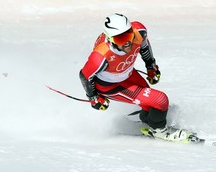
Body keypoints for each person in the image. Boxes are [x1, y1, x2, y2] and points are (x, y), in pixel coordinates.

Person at [79, 13, 190, 142]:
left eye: (128, 35)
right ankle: (159, 131)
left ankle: (148, 120)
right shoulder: (101, 56)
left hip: (127, 73)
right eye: (120, 39)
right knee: (160, 100)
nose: (127, 43)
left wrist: (151, 66)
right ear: (110, 40)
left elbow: (144, 46)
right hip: (110, 86)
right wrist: (94, 98)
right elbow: (85, 75)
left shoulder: (139, 32)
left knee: (151, 105)